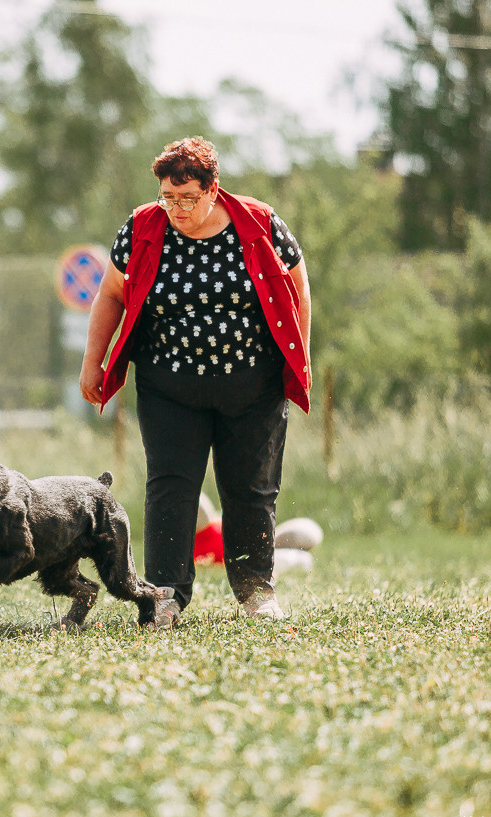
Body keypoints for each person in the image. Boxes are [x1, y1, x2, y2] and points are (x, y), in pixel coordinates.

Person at [79, 136, 312, 626]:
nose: (177, 208)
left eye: (188, 198)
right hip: (170, 387)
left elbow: (296, 282)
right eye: (169, 196)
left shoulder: (259, 222)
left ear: (213, 188)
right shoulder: (143, 227)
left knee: (251, 489)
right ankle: (164, 594)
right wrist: (92, 362)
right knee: (171, 487)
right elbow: (111, 294)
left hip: (252, 385)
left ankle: (255, 591)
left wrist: (300, 355)